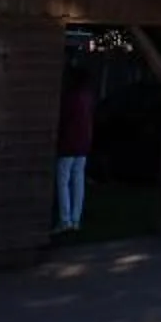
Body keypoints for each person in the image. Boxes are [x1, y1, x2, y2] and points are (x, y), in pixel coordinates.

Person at [54, 69, 96, 233]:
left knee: (63, 181)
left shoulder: (70, 98)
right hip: (83, 143)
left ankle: (65, 220)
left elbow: (64, 119)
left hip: (68, 144)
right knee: (78, 181)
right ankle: (76, 219)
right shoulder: (88, 98)